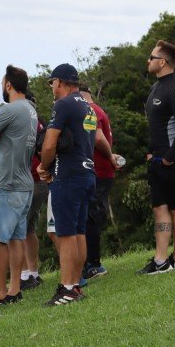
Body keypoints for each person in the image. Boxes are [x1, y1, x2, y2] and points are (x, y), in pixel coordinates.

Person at [37, 63, 117, 306]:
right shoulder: (88, 107)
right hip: (88, 173)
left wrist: (43, 166)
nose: (51, 87)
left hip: (68, 174)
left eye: (52, 83)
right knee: (79, 231)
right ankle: (76, 284)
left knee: (66, 233)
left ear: (60, 82)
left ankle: (68, 287)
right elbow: (97, 139)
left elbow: (50, 144)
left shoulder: (63, 105)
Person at [0, 65, 38, 307]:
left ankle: (0, 292)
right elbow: (12, 141)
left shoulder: (10, 109)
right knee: (15, 237)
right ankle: (14, 290)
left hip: (7, 183)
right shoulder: (31, 110)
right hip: (25, 182)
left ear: (8, 85)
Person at [139, 40, 175, 275]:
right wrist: (152, 153)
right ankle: (161, 261)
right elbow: (157, 126)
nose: (148, 61)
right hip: (157, 160)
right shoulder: (156, 88)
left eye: (151, 58)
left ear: (162, 62)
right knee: (160, 208)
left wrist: (170, 157)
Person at [78, 83, 116, 280]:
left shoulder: (90, 110)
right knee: (90, 216)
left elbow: (98, 138)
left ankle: (93, 264)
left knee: (90, 217)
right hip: (101, 171)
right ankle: (91, 263)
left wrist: (109, 158)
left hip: (98, 171)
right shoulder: (98, 109)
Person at [20, 90, 48, 291]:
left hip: (29, 181)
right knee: (29, 228)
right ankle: (33, 272)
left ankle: (24, 276)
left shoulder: (25, 123)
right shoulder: (40, 123)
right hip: (40, 183)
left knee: (18, 228)